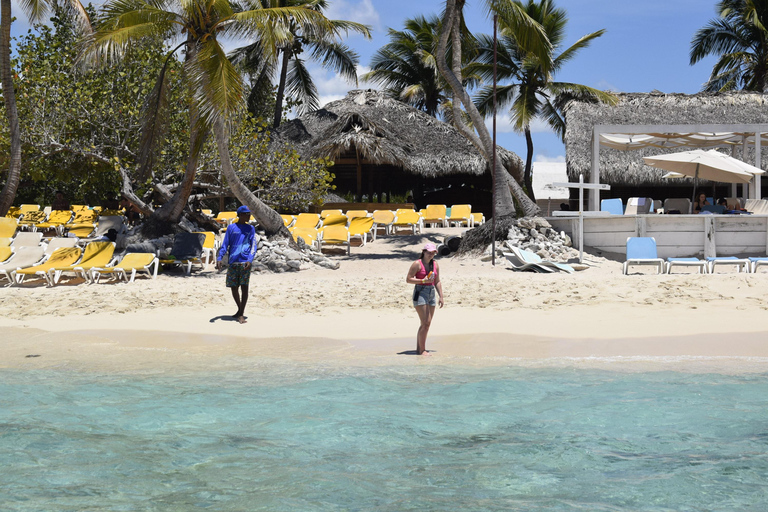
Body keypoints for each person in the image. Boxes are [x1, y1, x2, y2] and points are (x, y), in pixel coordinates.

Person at [216, 205, 257, 324]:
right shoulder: (231, 228)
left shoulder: (251, 229)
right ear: (240, 215)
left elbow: (253, 245)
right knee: (234, 288)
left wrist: (250, 259)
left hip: (245, 262)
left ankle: (241, 314)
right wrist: (220, 257)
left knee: (244, 287)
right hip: (233, 262)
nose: (249, 216)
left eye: (249, 214)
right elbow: (225, 244)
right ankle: (239, 310)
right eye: (246, 214)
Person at [406, 243, 444, 356]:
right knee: (425, 322)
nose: (430, 255)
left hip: (431, 292)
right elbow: (408, 279)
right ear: (424, 252)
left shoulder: (435, 264)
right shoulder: (417, 264)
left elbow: (437, 281)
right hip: (420, 292)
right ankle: (422, 350)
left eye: (433, 253)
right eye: (428, 252)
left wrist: (441, 296)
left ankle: (420, 349)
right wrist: (423, 281)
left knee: (427, 323)